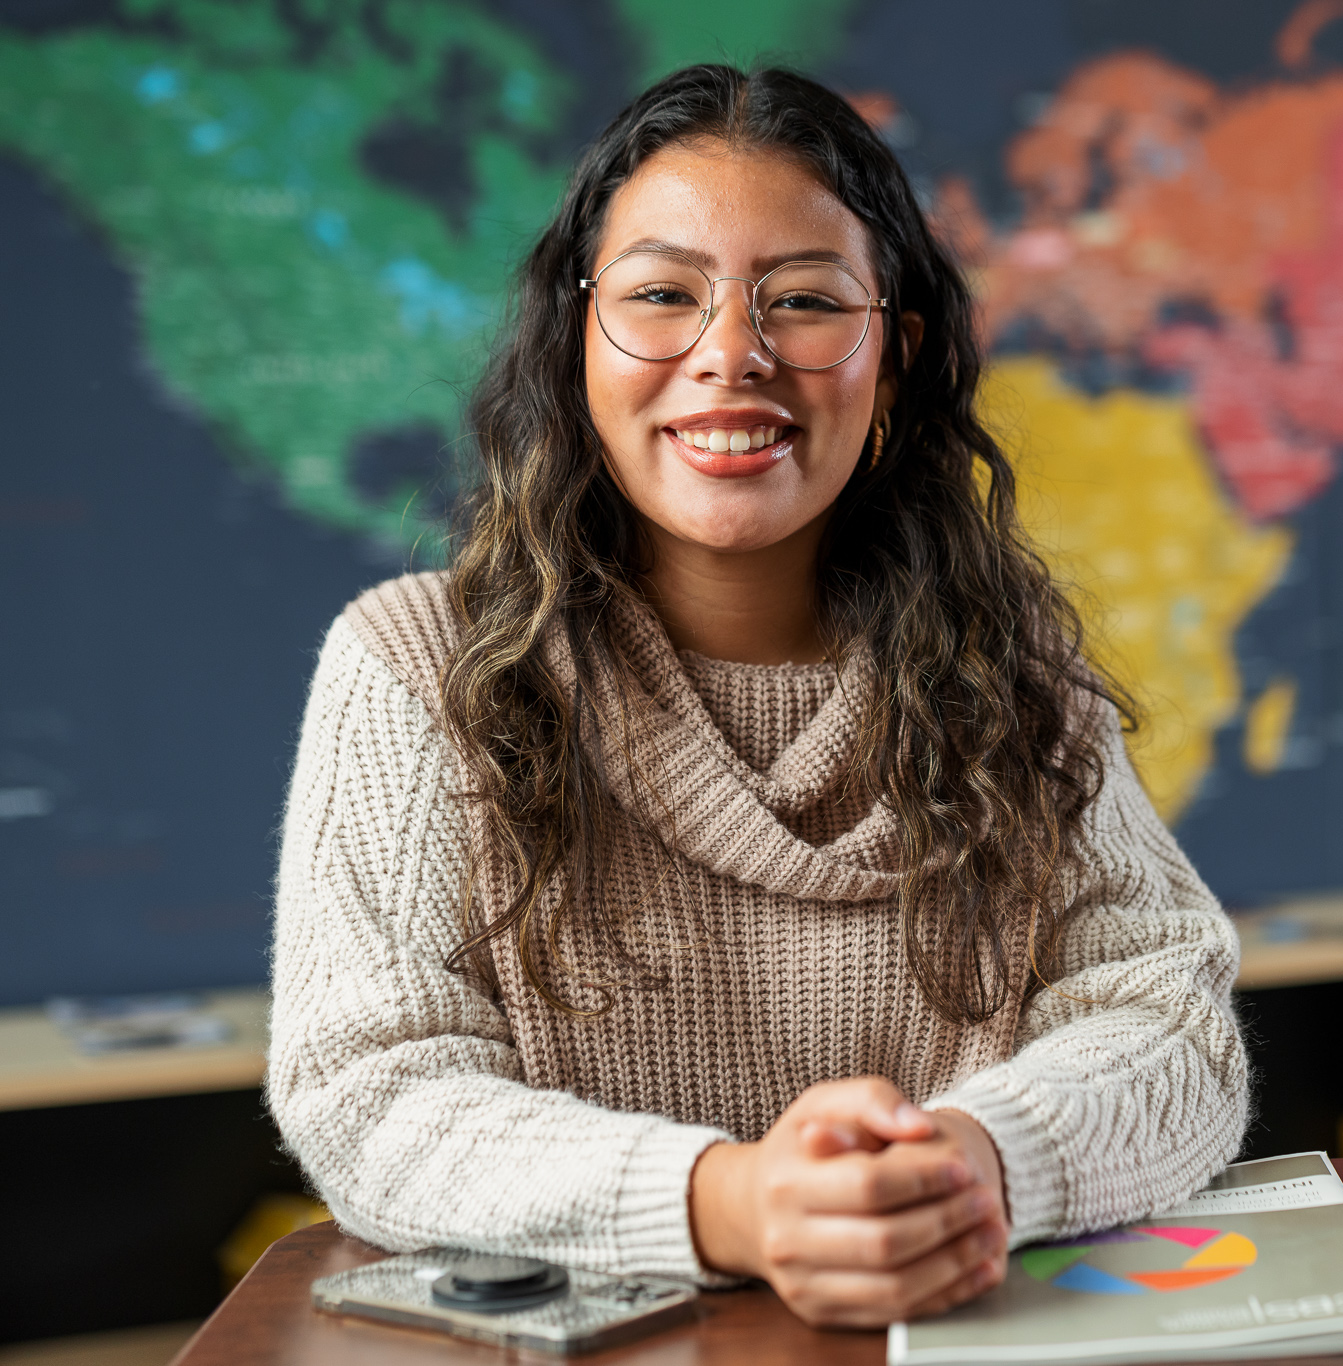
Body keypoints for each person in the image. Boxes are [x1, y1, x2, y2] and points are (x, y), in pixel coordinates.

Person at [267, 64, 1247, 1330]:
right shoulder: (420, 668)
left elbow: (1169, 1022)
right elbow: (370, 1090)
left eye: (802, 301)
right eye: (663, 295)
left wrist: (969, 1163)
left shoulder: (1015, 685)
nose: (731, 353)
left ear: (888, 362)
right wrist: (732, 1204)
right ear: (579, 348)